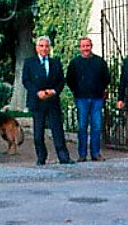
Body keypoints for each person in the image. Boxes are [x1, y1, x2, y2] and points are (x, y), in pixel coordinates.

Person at [22, 36, 74, 165]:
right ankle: (41, 157)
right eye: (41, 46)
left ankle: (63, 157)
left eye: (46, 46)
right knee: (38, 132)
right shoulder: (29, 62)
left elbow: (61, 81)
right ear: (37, 48)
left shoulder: (55, 63)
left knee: (57, 130)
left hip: (52, 101)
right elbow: (26, 80)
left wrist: (54, 91)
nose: (44, 49)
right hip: (37, 101)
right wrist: (36, 92)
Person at [67, 37, 110, 162]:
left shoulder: (99, 62)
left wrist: (101, 89)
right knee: (82, 126)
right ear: (80, 48)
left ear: (91, 46)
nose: (86, 48)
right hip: (82, 99)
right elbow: (70, 79)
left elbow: (106, 77)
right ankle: (82, 154)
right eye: (83, 46)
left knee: (96, 126)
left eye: (88, 46)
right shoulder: (75, 63)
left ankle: (96, 153)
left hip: (97, 98)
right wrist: (77, 91)